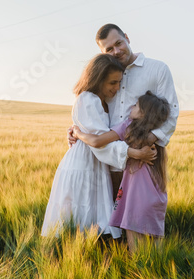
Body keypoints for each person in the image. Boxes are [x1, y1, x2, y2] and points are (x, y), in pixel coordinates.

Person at [41, 54, 157, 238]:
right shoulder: (87, 99)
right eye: (112, 83)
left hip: (96, 163)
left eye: (119, 82)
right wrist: (133, 153)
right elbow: (99, 142)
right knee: (78, 217)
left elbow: (101, 135)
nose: (117, 88)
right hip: (84, 164)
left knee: (92, 221)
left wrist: (76, 131)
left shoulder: (104, 100)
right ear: (97, 79)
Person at [69, 23, 179, 201]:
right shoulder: (105, 75)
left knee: (141, 216)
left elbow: (171, 112)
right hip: (107, 163)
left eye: (119, 43)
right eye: (109, 49)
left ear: (127, 38)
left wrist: (147, 140)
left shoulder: (157, 69)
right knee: (111, 217)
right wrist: (76, 129)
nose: (116, 51)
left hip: (144, 160)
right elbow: (92, 109)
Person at [73, 91, 170, 251]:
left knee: (135, 252)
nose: (132, 106)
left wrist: (77, 132)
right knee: (156, 252)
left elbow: (97, 141)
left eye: (136, 105)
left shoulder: (128, 127)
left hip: (135, 197)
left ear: (143, 113)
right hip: (157, 197)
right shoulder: (157, 137)